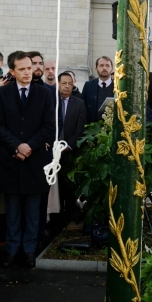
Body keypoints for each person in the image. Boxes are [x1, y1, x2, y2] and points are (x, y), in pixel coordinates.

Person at [0, 51, 55, 268]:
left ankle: (30, 251)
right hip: (11, 160)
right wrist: (16, 146)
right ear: (12, 71)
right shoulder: (2, 94)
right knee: (13, 211)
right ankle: (11, 251)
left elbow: (49, 126)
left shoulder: (44, 94)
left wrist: (29, 146)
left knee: (33, 211)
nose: (28, 72)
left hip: (35, 161)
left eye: (29, 68)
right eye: (22, 69)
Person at [57, 72, 86, 214]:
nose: (67, 86)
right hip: (51, 152)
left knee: (69, 188)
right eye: (64, 83)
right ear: (58, 84)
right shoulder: (50, 101)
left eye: (70, 84)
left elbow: (80, 129)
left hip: (70, 152)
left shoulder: (79, 103)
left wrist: (68, 146)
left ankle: (69, 215)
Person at [82, 56, 114, 124]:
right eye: (101, 65)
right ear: (96, 69)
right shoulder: (88, 85)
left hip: (113, 129)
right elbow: (82, 108)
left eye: (107, 65)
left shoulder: (118, 86)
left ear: (112, 69)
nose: (104, 68)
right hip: (92, 128)